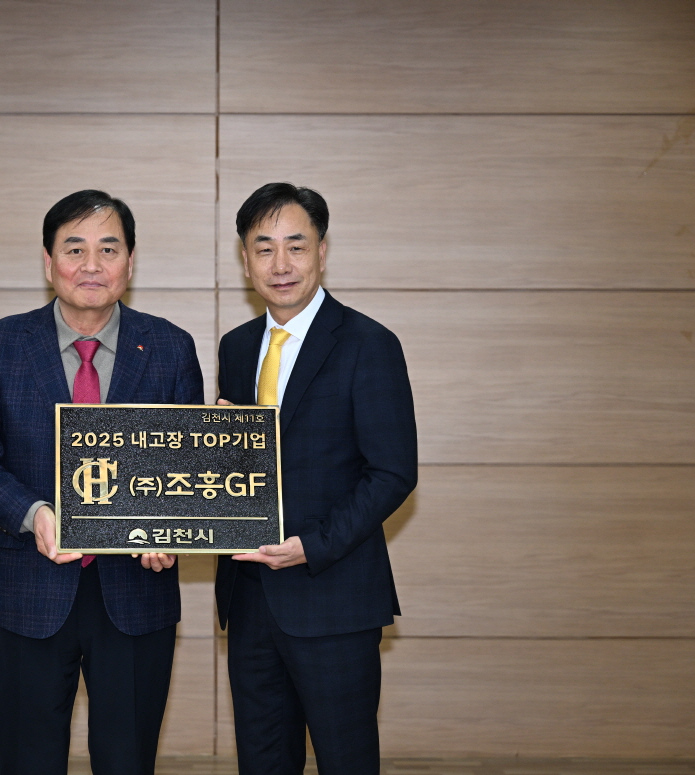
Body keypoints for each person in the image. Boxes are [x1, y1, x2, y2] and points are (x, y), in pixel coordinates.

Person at [0, 190, 204, 775]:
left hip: (136, 593)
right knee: (29, 761)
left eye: (108, 249)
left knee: (128, 761)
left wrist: (172, 529)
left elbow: (185, 471)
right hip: (29, 589)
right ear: (48, 261)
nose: (91, 265)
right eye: (74, 249)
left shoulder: (170, 347)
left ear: (130, 261)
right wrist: (33, 512)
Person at [215, 182, 417, 775]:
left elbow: (391, 472)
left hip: (334, 598)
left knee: (345, 760)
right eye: (264, 248)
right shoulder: (236, 347)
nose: (281, 264)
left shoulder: (368, 343)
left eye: (296, 246)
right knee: (262, 762)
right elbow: (240, 471)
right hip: (250, 600)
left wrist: (312, 546)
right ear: (245, 260)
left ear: (322, 252)